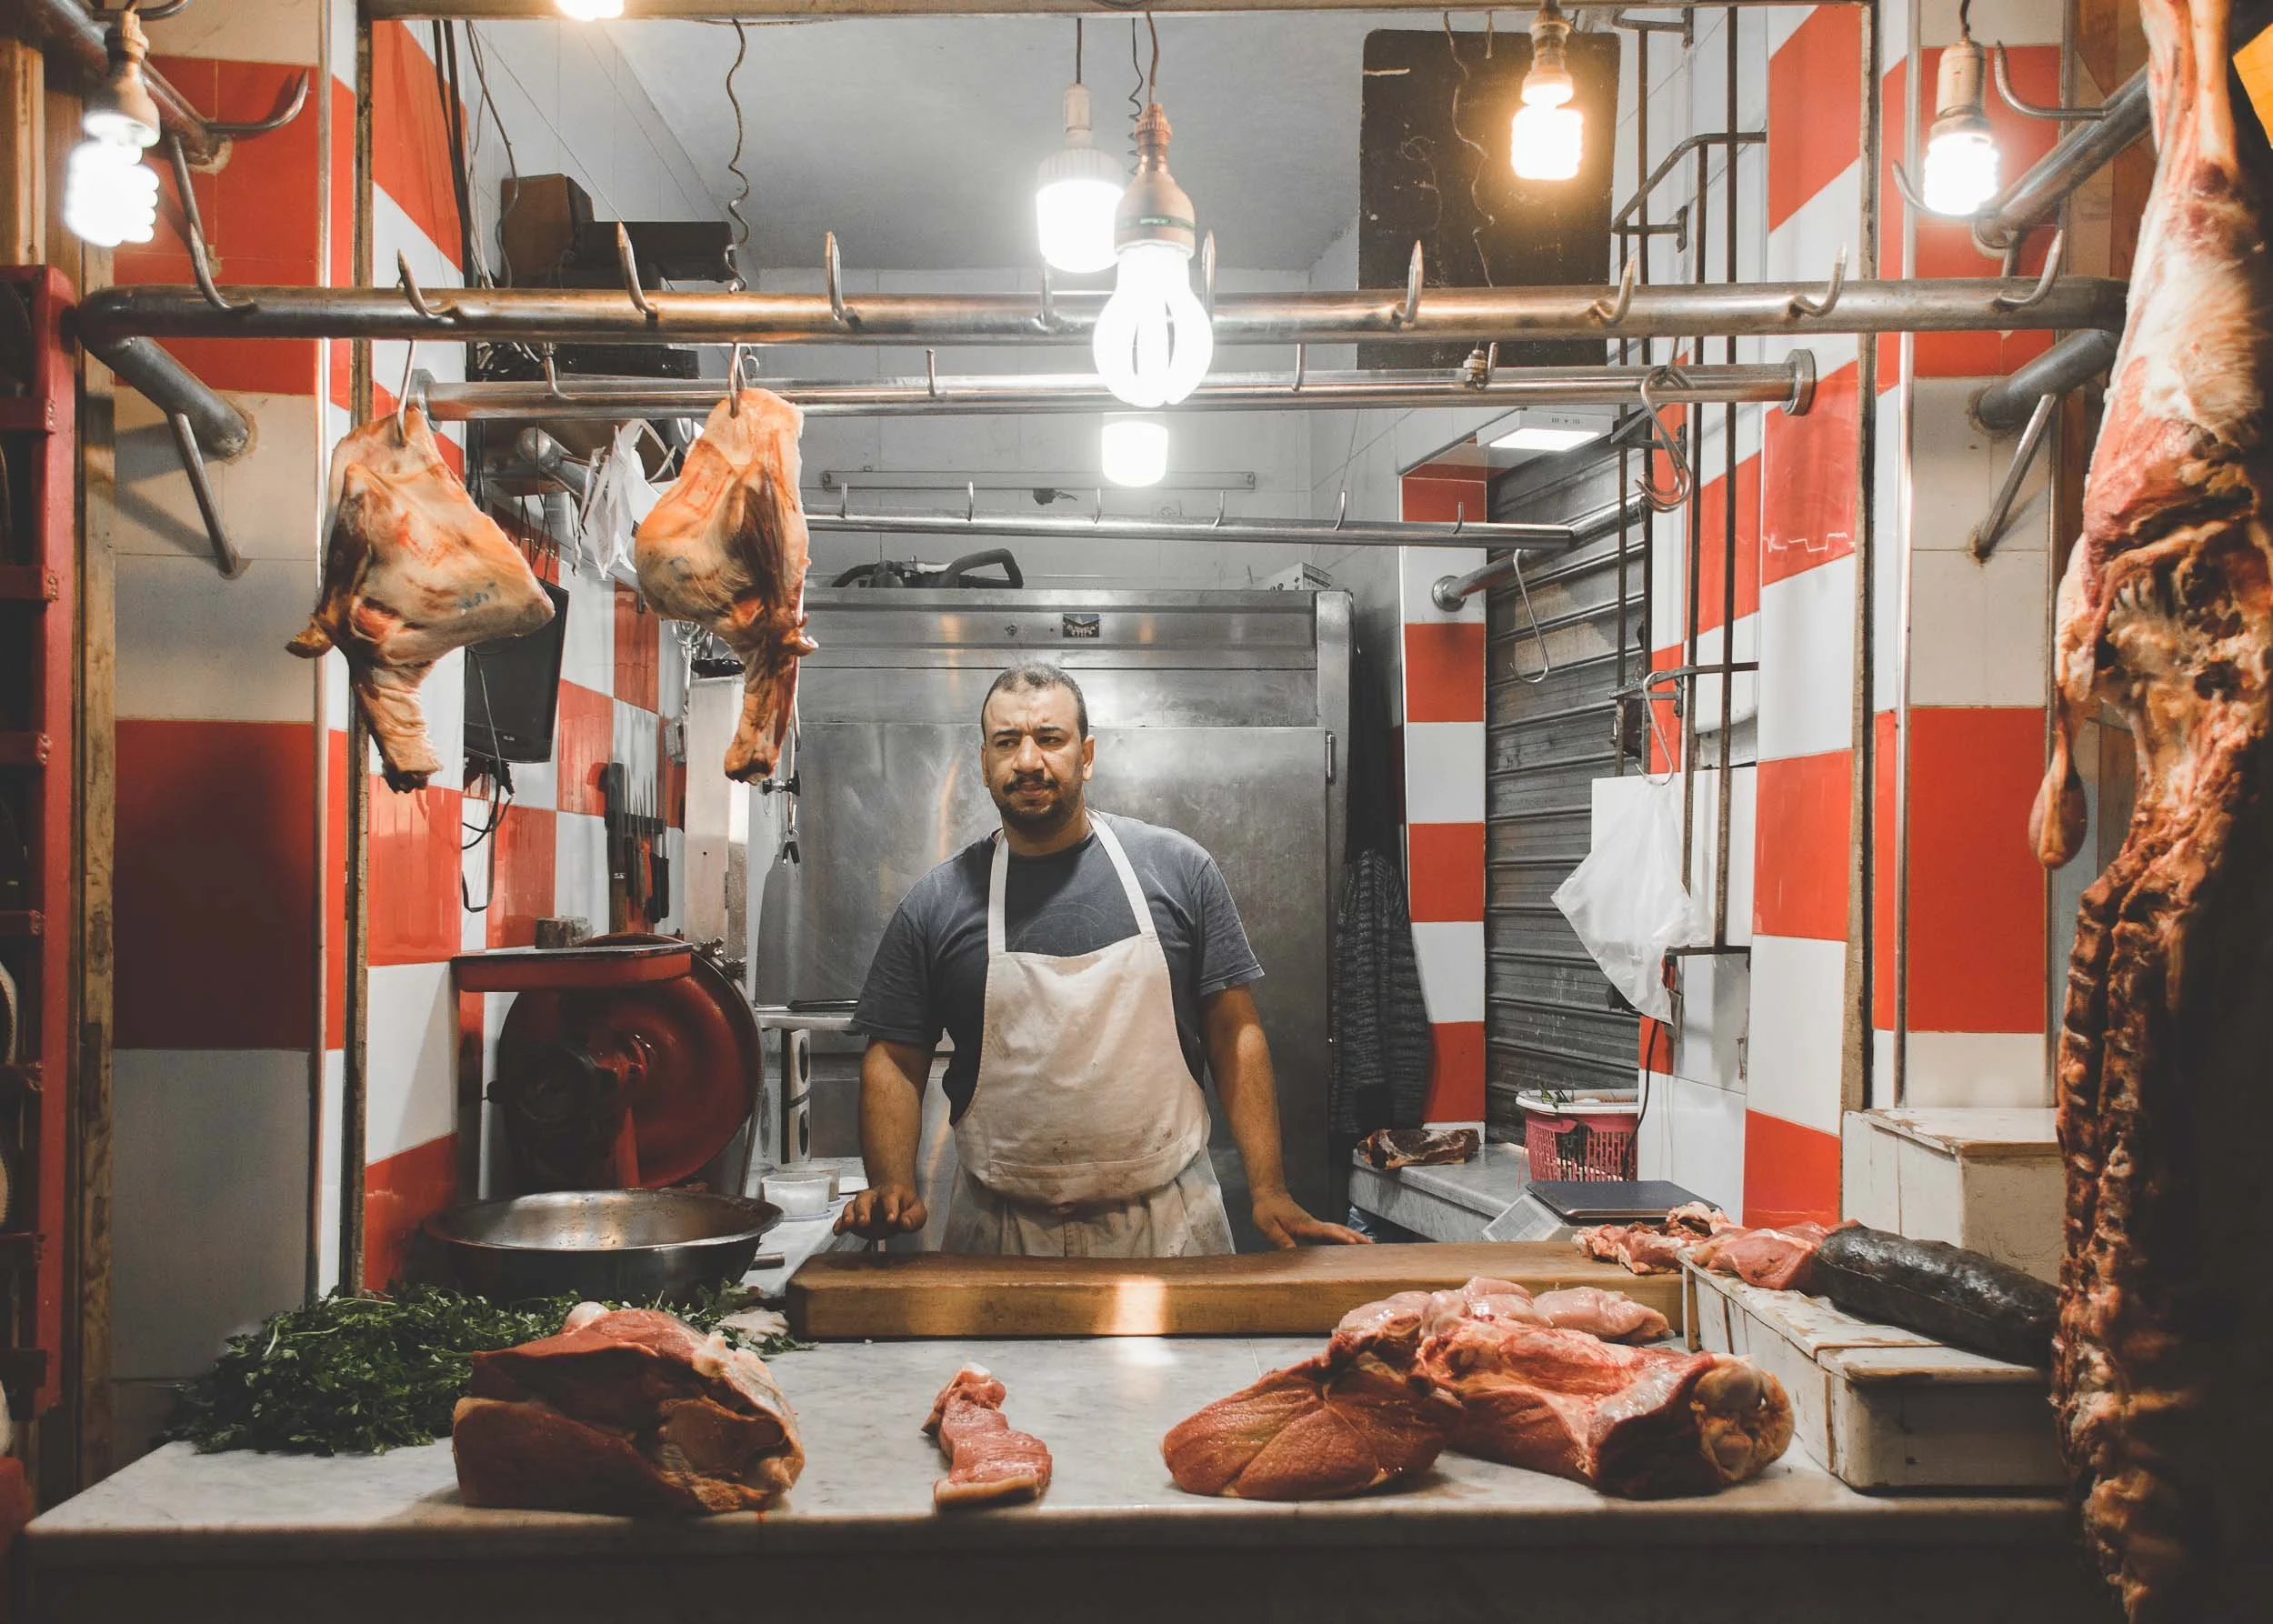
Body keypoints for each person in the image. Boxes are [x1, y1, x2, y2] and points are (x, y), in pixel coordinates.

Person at [835, 661, 1366, 1258]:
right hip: (1000, 1233)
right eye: (1007, 743)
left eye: (1050, 739)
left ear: (1085, 756)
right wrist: (891, 1181)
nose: (1029, 761)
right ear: (984, 763)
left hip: (1171, 1227)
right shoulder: (936, 902)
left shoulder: (1179, 871)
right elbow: (895, 1056)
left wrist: (1269, 1188)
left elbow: (1232, 1028)